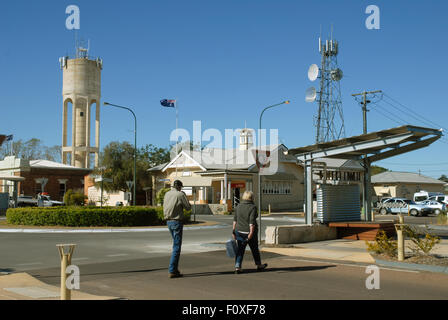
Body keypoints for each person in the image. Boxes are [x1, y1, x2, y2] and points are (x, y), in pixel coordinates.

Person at [232, 191, 268, 274]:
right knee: (254, 249)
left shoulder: (238, 206)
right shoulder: (253, 207)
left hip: (238, 231)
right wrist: (251, 234)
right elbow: (251, 222)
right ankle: (259, 265)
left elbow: (235, 220)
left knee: (240, 249)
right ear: (252, 198)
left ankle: (238, 267)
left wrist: (233, 231)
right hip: (249, 232)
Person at [163, 180, 191, 278]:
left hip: (168, 221)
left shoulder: (167, 194)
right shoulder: (180, 194)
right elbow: (188, 207)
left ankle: (174, 269)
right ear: (179, 187)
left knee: (175, 244)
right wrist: (184, 196)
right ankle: (172, 270)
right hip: (176, 221)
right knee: (177, 246)